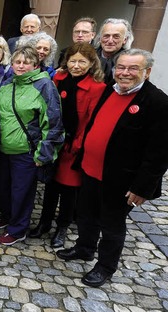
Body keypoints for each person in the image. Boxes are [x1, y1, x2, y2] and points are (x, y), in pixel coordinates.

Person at [57, 49, 168, 287]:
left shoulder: (158, 102)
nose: (125, 73)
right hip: (90, 169)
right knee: (86, 215)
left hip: (121, 181)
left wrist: (143, 188)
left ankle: (105, 267)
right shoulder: (110, 89)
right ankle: (84, 249)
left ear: (146, 72)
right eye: (121, 67)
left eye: (132, 69)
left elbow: (159, 153)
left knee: (111, 226)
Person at [29, 42, 106, 248]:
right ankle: (44, 222)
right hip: (54, 141)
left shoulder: (97, 88)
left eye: (82, 61)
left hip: (75, 145)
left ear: (91, 64)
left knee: (69, 190)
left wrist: (77, 146)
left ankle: (62, 227)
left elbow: (91, 121)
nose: (77, 66)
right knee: (51, 186)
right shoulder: (58, 78)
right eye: (73, 61)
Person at [0, 46, 63, 246]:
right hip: (3, 149)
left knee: (21, 192)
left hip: (26, 151)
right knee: (3, 189)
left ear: (35, 64)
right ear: (12, 64)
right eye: (17, 62)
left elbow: (53, 122)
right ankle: (7, 216)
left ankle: (18, 229)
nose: (21, 66)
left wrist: (44, 153)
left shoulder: (44, 86)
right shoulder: (7, 84)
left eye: (26, 62)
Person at [95, 18, 133, 86]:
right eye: (106, 36)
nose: (110, 41)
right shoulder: (89, 56)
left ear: (125, 40)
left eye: (116, 37)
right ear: (100, 38)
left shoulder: (131, 61)